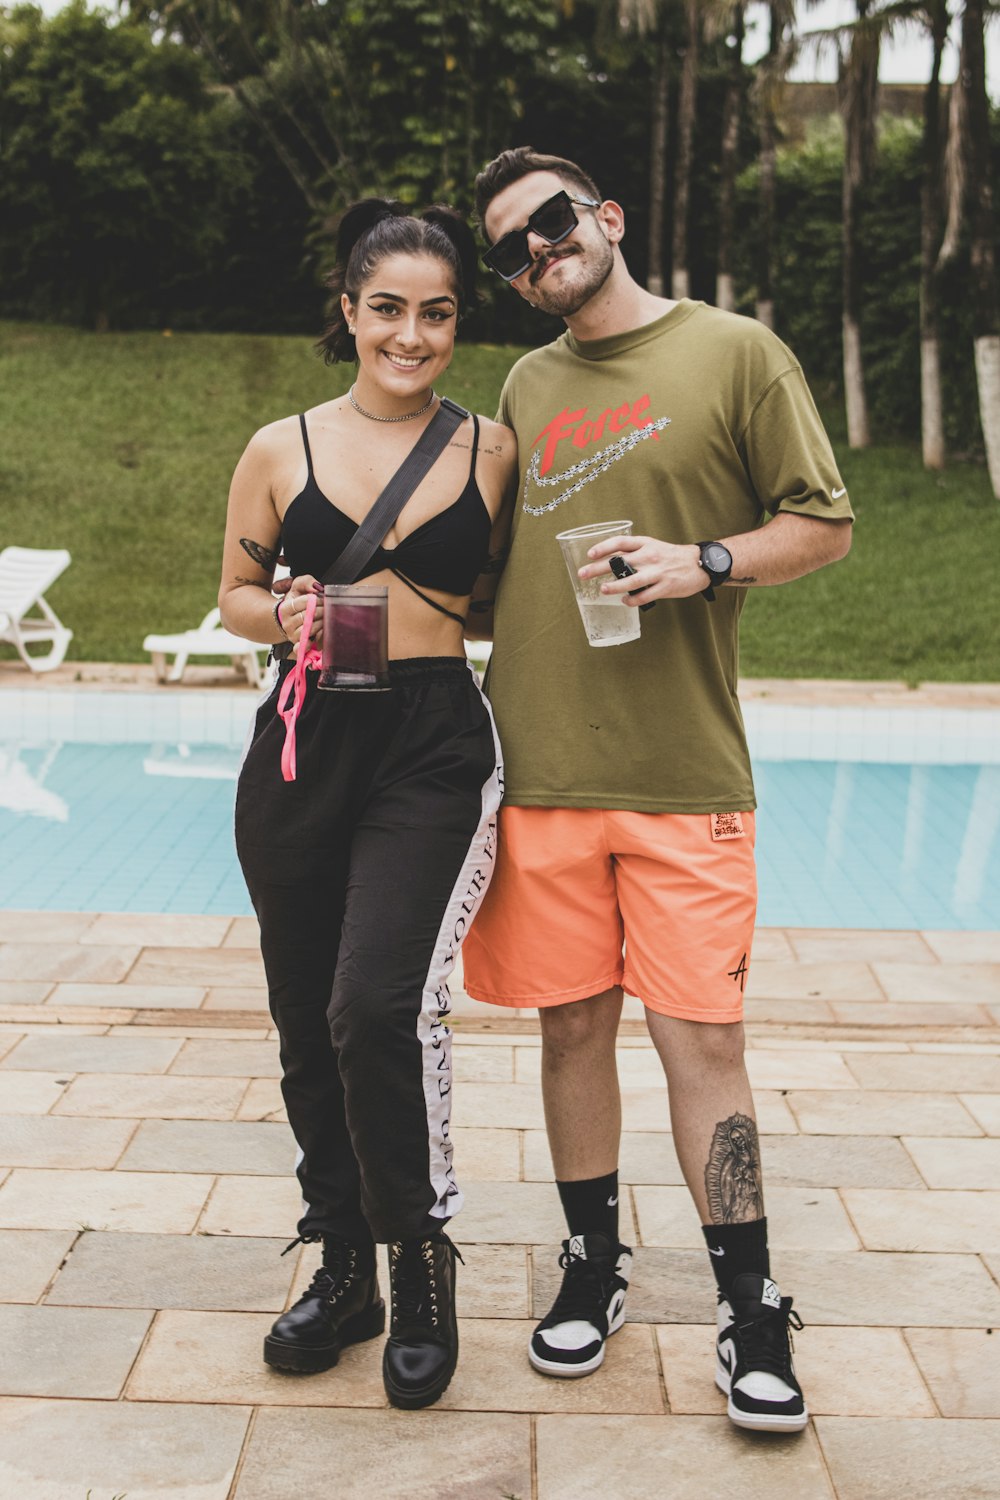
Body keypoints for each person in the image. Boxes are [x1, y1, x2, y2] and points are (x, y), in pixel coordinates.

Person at [461, 147, 853, 1433]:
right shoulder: (525, 379)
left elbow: (825, 521)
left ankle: (749, 1302)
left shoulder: (737, 353)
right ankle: (593, 1260)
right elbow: (485, 566)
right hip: (544, 776)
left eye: (554, 222)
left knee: (703, 1044)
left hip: (685, 777)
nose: (538, 252)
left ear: (608, 219)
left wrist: (708, 559)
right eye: (513, 248)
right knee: (570, 1031)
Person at [219, 199, 516, 1410]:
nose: (410, 334)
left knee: (374, 1006)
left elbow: (501, 606)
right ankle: (342, 1266)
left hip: (432, 744)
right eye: (386, 308)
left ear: (455, 323)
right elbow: (235, 592)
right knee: (304, 1016)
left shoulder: (490, 448)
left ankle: (419, 1259)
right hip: (302, 745)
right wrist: (280, 613)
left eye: (435, 313)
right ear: (347, 312)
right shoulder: (276, 445)